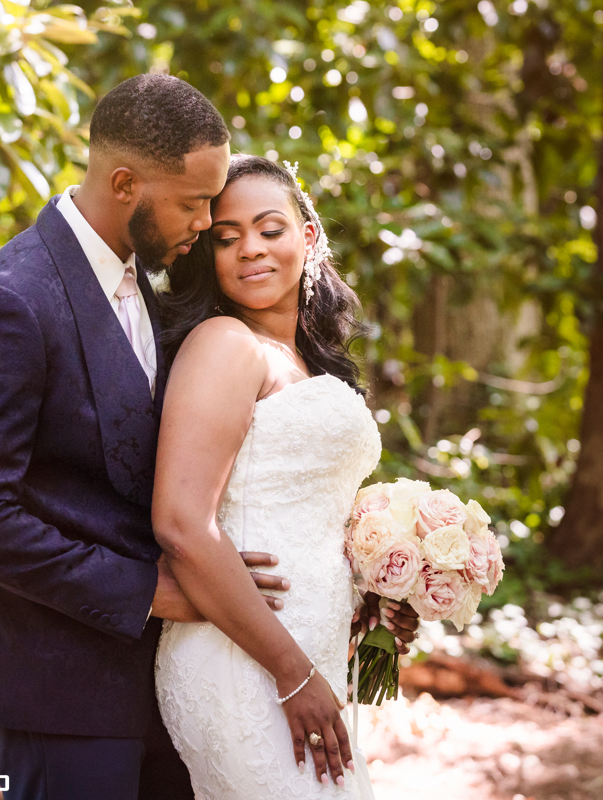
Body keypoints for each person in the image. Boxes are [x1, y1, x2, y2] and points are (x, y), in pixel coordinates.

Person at [0, 75, 285, 800]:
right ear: (125, 183)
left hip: (151, 678)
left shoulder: (144, 278)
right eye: (193, 202)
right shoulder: (9, 301)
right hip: (54, 683)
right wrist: (144, 590)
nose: (206, 221)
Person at [153, 154, 419, 799]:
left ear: (309, 236)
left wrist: (375, 591)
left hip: (309, 650)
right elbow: (182, 522)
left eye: (270, 229)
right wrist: (291, 673)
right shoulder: (223, 342)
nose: (250, 249)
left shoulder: (305, 359)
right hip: (246, 658)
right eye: (226, 236)